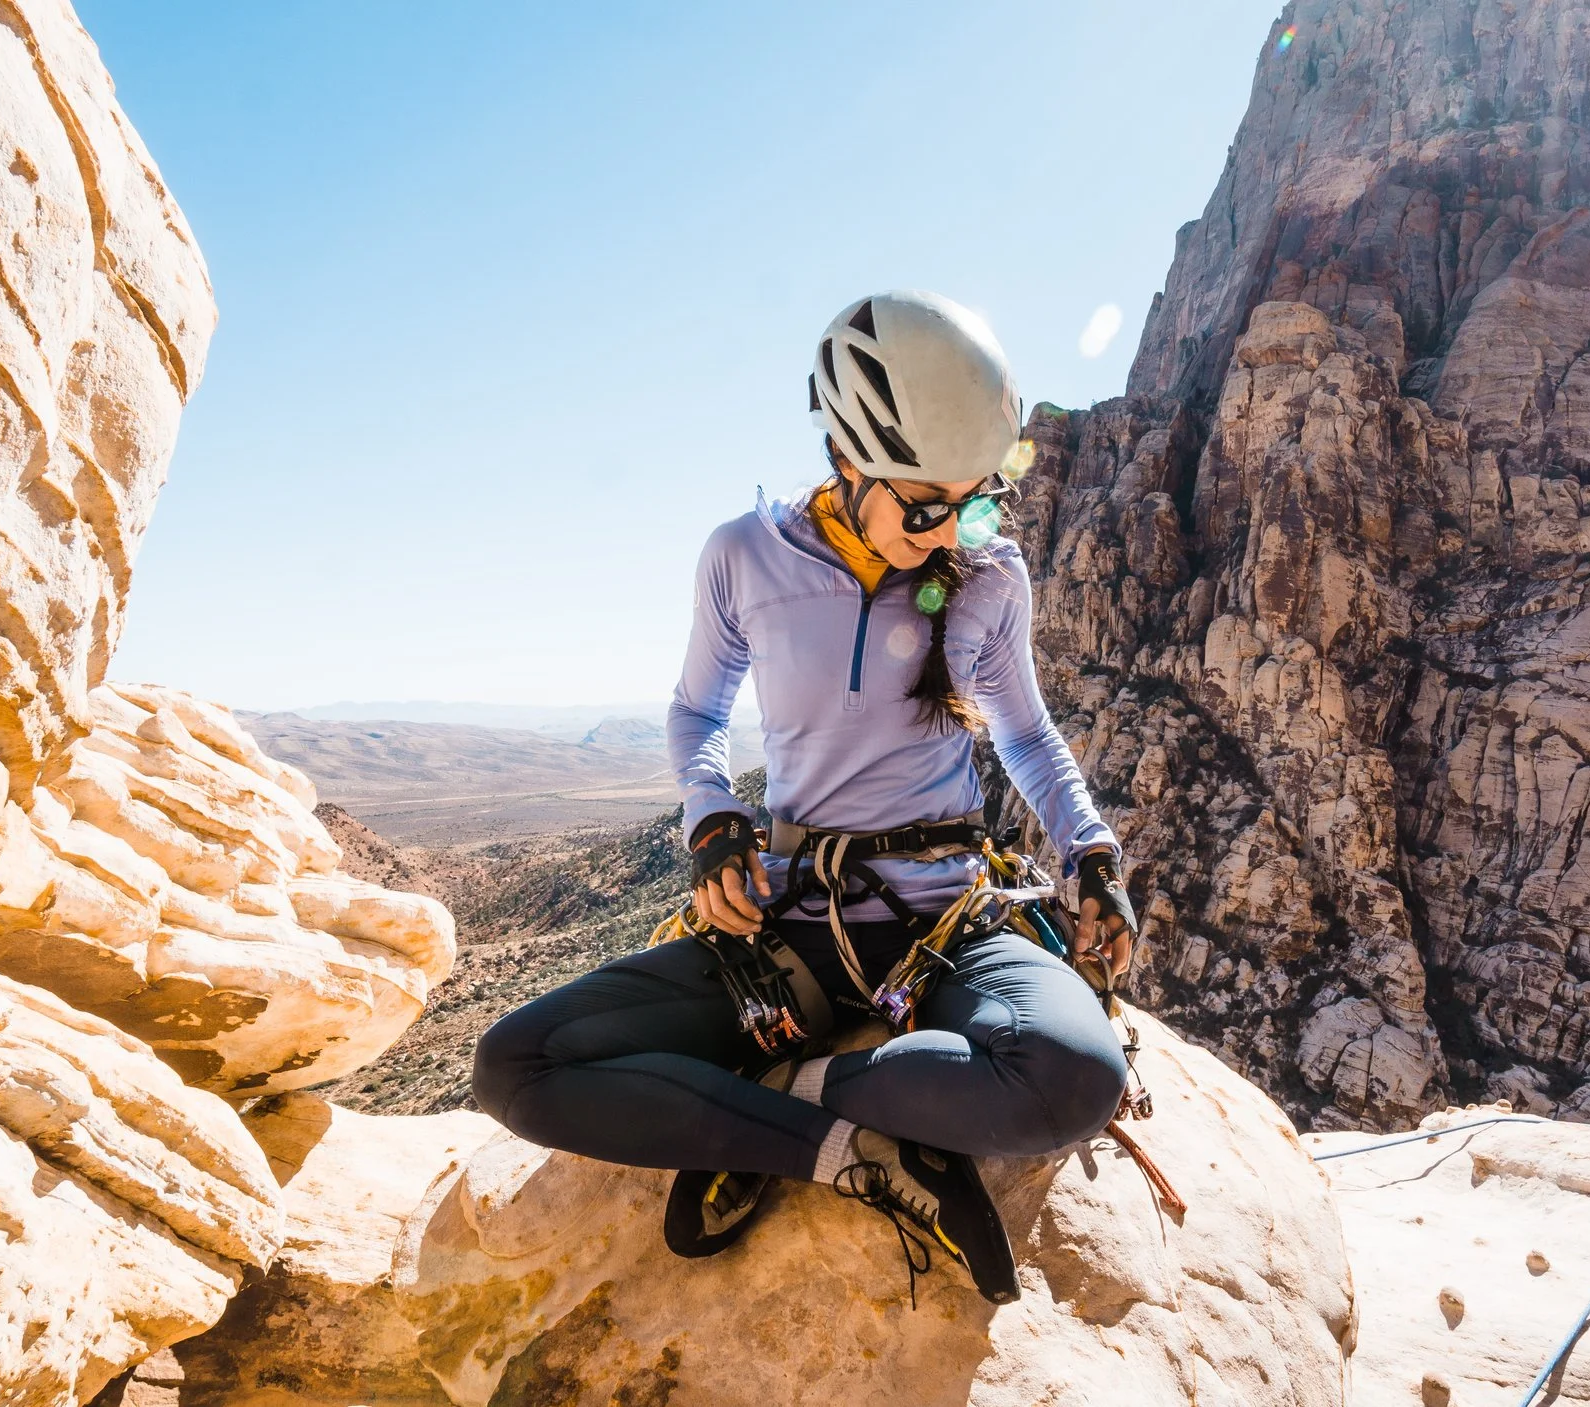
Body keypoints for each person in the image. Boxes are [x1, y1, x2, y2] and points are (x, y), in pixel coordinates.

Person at [471, 290, 1140, 1303]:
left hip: (947, 919)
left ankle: (782, 1100)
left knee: (1077, 1076)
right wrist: (711, 820)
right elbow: (696, 715)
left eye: (977, 499)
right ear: (848, 459)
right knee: (516, 1065)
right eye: (927, 504)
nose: (954, 526)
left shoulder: (990, 576)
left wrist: (1089, 853)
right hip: (793, 924)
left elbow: (1025, 734)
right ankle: (853, 1153)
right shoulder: (746, 557)